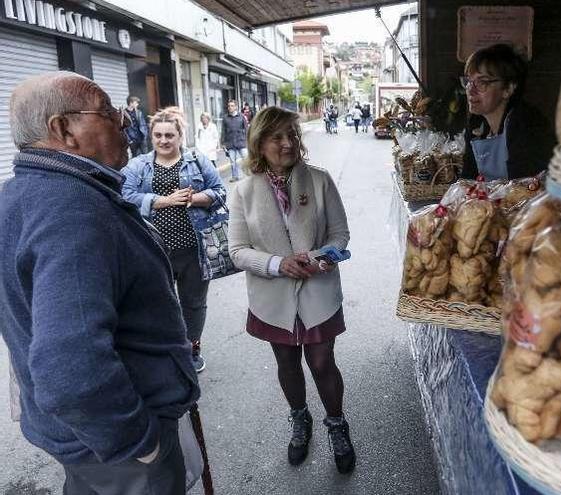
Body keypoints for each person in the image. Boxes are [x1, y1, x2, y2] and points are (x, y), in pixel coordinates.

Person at [0, 71, 199, 494]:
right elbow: (68, 368)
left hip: (80, 443)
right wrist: (139, 445)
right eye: (108, 113)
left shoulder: (18, 196)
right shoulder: (73, 210)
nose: (126, 122)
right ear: (63, 130)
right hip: (115, 452)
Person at [227, 107, 356, 474]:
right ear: (260, 144)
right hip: (272, 298)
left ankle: (337, 424)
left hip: (318, 290)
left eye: (293, 135)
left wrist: (316, 258)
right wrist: (277, 264)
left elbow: (339, 234)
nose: (288, 143)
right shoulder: (243, 191)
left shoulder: (319, 180)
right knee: (286, 362)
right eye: (277, 137)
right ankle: (300, 419)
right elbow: (237, 251)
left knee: (321, 361)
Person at [122, 107, 227, 374]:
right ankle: (168, 350)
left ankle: (191, 349)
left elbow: (220, 192)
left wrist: (197, 198)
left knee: (193, 303)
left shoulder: (197, 160)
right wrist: (162, 201)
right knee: (159, 304)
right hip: (154, 250)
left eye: (169, 135)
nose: (163, 140)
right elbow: (124, 195)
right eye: (158, 135)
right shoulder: (139, 165)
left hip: (194, 248)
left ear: (180, 136)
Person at [461, 43, 556, 180]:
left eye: (482, 83)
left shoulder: (526, 124)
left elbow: (524, 187)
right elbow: (468, 179)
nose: (471, 90)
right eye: (469, 81)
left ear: (508, 89)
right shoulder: (476, 124)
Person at [222, 99, 248, 182]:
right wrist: (223, 143)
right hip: (230, 143)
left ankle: (249, 175)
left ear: (236, 107)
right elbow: (223, 131)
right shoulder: (225, 118)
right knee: (233, 162)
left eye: (232, 106)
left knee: (246, 159)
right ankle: (235, 176)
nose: (230, 107)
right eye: (229, 106)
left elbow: (246, 129)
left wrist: (248, 140)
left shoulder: (241, 117)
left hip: (241, 142)